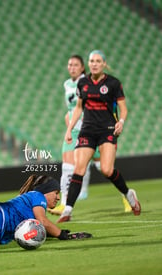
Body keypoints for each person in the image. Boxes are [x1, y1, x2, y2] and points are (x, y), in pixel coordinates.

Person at [57, 50, 141, 223]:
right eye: (91, 61)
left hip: (107, 129)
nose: (94, 64)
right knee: (78, 168)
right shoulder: (83, 83)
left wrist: (122, 122)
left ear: (104, 64)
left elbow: (123, 108)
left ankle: (128, 194)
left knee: (107, 170)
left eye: (97, 61)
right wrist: (69, 129)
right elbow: (79, 108)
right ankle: (68, 210)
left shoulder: (113, 83)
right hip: (87, 130)